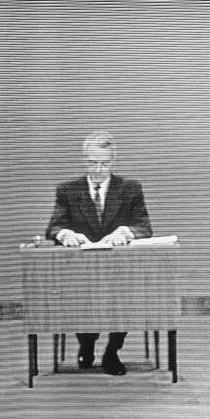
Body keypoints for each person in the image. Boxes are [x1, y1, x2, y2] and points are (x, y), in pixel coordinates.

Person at [45, 131, 153, 376]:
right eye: (93, 163)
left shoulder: (130, 189)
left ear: (112, 162)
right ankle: (87, 343)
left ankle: (113, 351)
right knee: (80, 299)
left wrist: (125, 232)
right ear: (85, 161)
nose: (99, 169)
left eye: (104, 163)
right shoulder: (68, 190)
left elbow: (144, 226)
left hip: (119, 268)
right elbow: (53, 227)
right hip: (80, 269)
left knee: (125, 299)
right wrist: (65, 235)